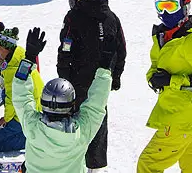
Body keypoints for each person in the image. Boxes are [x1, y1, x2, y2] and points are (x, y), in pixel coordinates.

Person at [137, 0, 192, 173]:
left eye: (170, 6)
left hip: (181, 117)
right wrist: (153, 78)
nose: (164, 12)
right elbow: (155, 66)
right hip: (181, 115)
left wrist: (171, 81)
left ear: (185, 6)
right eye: (160, 6)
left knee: (148, 164)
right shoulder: (163, 36)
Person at [12, 26, 117, 173]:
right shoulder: (82, 132)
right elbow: (97, 103)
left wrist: (29, 57)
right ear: (72, 103)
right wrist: (105, 67)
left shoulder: (32, 126)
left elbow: (20, 95)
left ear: (42, 102)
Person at [57, 0, 127, 170]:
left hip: (77, 79)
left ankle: (72, 164)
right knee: (97, 117)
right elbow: (121, 48)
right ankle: (95, 166)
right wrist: (116, 75)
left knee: (74, 122)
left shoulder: (73, 16)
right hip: (103, 78)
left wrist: (63, 74)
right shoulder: (111, 16)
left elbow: (66, 46)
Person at [0, 26, 44, 152]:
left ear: (5, 48)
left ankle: (34, 139)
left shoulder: (13, 68)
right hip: (31, 107)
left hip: (29, 111)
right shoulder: (16, 56)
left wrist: (6, 119)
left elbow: (12, 98)